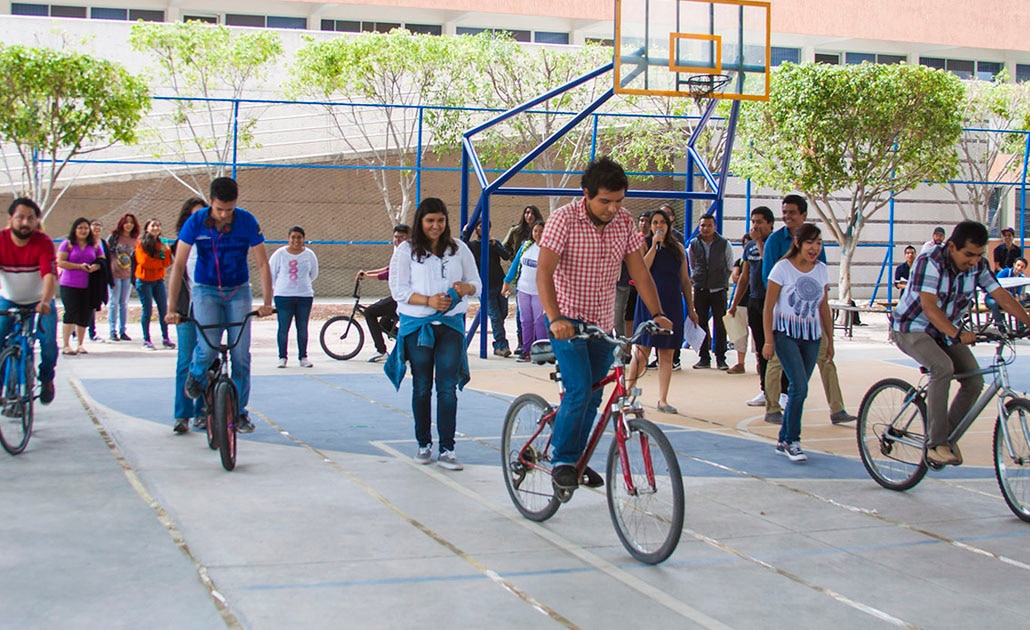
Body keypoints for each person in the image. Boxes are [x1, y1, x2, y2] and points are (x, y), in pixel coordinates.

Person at [537, 156, 672, 492]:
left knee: (595, 397)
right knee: (579, 389)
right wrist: (555, 319)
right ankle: (563, 460)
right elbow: (544, 272)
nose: (613, 209)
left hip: (601, 324)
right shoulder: (564, 219)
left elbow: (639, 271)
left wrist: (657, 313)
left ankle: (577, 459)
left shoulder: (623, 222)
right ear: (586, 194)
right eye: (605, 201)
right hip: (567, 321)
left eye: (619, 201)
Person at [892, 221, 1030, 466]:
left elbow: (1001, 296)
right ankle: (935, 444)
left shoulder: (978, 266)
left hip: (946, 332)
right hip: (912, 327)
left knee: (974, 380)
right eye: (968, 255)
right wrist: (957, 332)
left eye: (979, 255)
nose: (973, 261)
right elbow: (929, 307)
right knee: (942, 367)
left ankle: (946, 435)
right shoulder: (929, 261)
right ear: (952, 246)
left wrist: (1028, 322)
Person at [166, 177, 274, 435]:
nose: (224, 215)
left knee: (241, 355)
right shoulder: (195, 222)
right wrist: (171, 308)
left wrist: (267, 303)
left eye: (229, 209)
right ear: (210, 202)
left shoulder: (246, 220)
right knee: (207, 347)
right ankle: (196, 374)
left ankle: (239, 412)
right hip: (206, 290)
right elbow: (178, 265)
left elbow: (262, 263)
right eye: (219, 209)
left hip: (238, 290)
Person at [385, 198, 481, 471]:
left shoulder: (459, 248)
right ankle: (423, 444)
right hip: (418, 327)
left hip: (450, 326)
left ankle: (448, 449)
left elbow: (477, 283)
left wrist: (465, 288)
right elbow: (399, 290)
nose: (435, 226)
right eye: (430, 221)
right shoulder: (406, 251)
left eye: (440, 220)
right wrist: (428, 301)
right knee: (422, 385)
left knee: (447, 387)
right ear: (421, 222)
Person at [761, 195, 857, 425]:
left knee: (826, 360)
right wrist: (769, 337)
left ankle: (837, 408)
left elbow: (820, 287)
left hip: (811, 321)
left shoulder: (816, 249)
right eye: (785, 212)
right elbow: (769, 279)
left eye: (792, 212)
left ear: (803, 215)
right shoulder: (776, 242)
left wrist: (829, 336)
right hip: (786, 321)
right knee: (776, 363)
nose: (787, 216)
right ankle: (772, 408)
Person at [763, 223, 833, 463]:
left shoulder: (821, 270)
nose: (815, 248)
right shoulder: (782, 269)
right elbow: (768, 307)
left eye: (819, 243)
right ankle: (793, 440)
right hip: (786, 334)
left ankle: (783, 439)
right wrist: (768, 340)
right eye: (810, 243)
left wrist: (830, 340)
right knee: (800, 386)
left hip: (812, 336)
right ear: (798, 243)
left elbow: (824, 307)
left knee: (797, 389)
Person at [626, 208, 696, 413]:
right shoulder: (644, 244)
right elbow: (642, 269)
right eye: (655, 222)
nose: (658, 226)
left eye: (662, 222)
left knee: (667, 352)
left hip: (672, 303)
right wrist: (654, 247)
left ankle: (663, 399)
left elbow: (685, 280)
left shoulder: (678, 248)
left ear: (668, 224)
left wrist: (691, 307)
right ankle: (628, 391)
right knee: (642, 350)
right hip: (649, 304)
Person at [0, 198, 58, 405]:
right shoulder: (1, 240)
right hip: (9, 300)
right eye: (20, 217)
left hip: (40, 301)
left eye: (30, 218)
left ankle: (46, 378)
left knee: (48, 343)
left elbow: (49, 276)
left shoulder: (43, 242)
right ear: (10, 219)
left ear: (36, 221)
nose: (25, 223)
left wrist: (45, 301)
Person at [729, 206, 775, 407]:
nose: (755, 226)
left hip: (772, 301)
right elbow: (744, 277)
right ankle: (765, 390)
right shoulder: (748, 248)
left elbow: (771, 267)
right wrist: (734, 303)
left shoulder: (775, 242)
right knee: (761, 348)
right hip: (754, 301)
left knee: (775, 347)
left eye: (760, 222)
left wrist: (758, 242)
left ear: (770, 224)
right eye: (753, 222)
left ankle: (783, 390)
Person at [171, 197, 207, 435]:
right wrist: (172, 308)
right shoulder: (180, 245)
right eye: (193, 216)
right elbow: (176, 277)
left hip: (210, 307)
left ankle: (203, 411)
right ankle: (182, 414)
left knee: (207, 359)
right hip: (187, 309)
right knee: (185, 360)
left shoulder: (214, 243)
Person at [356, 224, 410, 363]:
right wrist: (367, 273)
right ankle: (408, 347)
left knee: (370, 312)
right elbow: (388, 269)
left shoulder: (408, 254)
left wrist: (367, 276)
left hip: (402, 298)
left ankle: (381, 350)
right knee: (385, 323)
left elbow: (387, 274)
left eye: (402, 237)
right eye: (396, 237)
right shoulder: (399, 253)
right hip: (399, 296)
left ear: (409, 238)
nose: (398, 241)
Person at [688, 213, 734, 370]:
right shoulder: (694, 244)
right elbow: (693, 265)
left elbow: (729, 265)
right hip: (700, 288)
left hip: (718, 289)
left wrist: (720, 280)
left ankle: (721, 358)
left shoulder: (724, 244)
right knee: (700, 323)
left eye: (709, 225)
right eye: (702, 225)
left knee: (720, 324)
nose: (705, 228)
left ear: (715, 227)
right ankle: (703, 358)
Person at [269, 226, 319, 368]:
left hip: (304, 296)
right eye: (293, 237)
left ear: (304, 239)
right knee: (283, 327)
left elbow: (313, 273)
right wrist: (279, 288)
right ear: (288, 238)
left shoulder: (309, 255)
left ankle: (303, 357)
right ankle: (282, 357)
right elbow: (271, 273)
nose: (296, 240)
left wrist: (302, 285)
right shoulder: (280, 254)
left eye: (299, 237)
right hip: (283, 296)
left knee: (302, 327)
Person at [57, 218, 105, 355]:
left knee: (85, 314)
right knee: (71, 312)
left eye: (86, 228)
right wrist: (78, 266)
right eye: (80, 228)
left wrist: (96, 266)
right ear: (75, 229)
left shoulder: (94, 245)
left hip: (88, 285)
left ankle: (80, 344)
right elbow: (61, 262)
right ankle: (66, 345)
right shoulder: (67, 244)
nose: (83, 231)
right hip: (69, 284)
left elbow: (102, 260)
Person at [503, 204, 545, 354]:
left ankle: (542, 350)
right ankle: (526, 349)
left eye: (541, 231)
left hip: (539, 292)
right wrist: (506, 282)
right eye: (535, 231)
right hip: (523, 290)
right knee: (525, 321)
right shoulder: (526, 246)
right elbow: (515, 265)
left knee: (539, 322)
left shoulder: (548, 250)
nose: (538, 234)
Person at [465, 221, 512, 357]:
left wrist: (495, 244)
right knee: (495, 317)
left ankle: (498, 343)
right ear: (476, 229)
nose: (483, 228)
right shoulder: (473, 245)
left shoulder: (494, 243)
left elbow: (506, 256)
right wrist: (465, 232)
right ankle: (501, 345)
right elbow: (461, 246)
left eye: (486, 226)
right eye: (480, 226)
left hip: (499, 283)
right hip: (485, 287)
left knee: (503, 313)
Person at [134, 218, 175, 350]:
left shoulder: (162, 243)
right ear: (147, 228)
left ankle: (166, 338)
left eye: (158, 225)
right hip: (144, 281)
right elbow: (145, 262)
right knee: (147, 310)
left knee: (163, 309)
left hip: (158, 280)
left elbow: (167, 262)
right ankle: (146, 339)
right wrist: (160, 263)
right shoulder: (141, 243)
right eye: (153, 226)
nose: (156, 228)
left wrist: (166, 251)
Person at [614, 210, 652, 337]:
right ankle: (625, 344)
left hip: (642, 284)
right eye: (641, 220)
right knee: (621, 317)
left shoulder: (651, 241)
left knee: (639, 316)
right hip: (624, 283)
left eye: (647, 221)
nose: (644, 224)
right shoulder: (630, 239)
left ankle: (631, 342)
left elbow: (641, 264)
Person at [107, 213, 139, 341]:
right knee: (114, 302)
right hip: (114, 273)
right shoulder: (114, 237)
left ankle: (122, 330)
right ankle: (112, 330)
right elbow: (106, 253)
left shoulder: (134, 239)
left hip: (127, 274)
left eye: (131, 222)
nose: (129, 225)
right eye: (126, 222)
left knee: (124, 303)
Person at [726, 232, 752, 374]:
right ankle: (740, 362)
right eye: (746, 244)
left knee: (758, 334)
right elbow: (736, 277)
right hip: (742, 301)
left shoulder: (763, 259)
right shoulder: (740, 262)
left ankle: (760, 362)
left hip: (756, 300)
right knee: (740, 334)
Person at [86, 219, 111, 343]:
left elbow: (106, 261)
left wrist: (110, 280)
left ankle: (92, 332)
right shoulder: (84, 242)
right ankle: (74, 331)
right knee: (79, 305)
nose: (97, 227)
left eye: (99, 225)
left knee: (93, 305)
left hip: (97, 278)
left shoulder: (103, 243)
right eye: (94, 225)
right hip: (83, 276)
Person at [986, 257, 1027, 330]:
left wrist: (1017, 296)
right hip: (992, 297)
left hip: (1006, 300)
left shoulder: (1021, 278)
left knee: (1021, 303)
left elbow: (1018, 292)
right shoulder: (1005, 272)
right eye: (1018, 265)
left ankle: (1021, 328)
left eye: (1022, 267)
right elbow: (995, 285)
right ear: (1014, 265)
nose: (1019, 268)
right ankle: (1001, 327)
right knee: (993, 303)